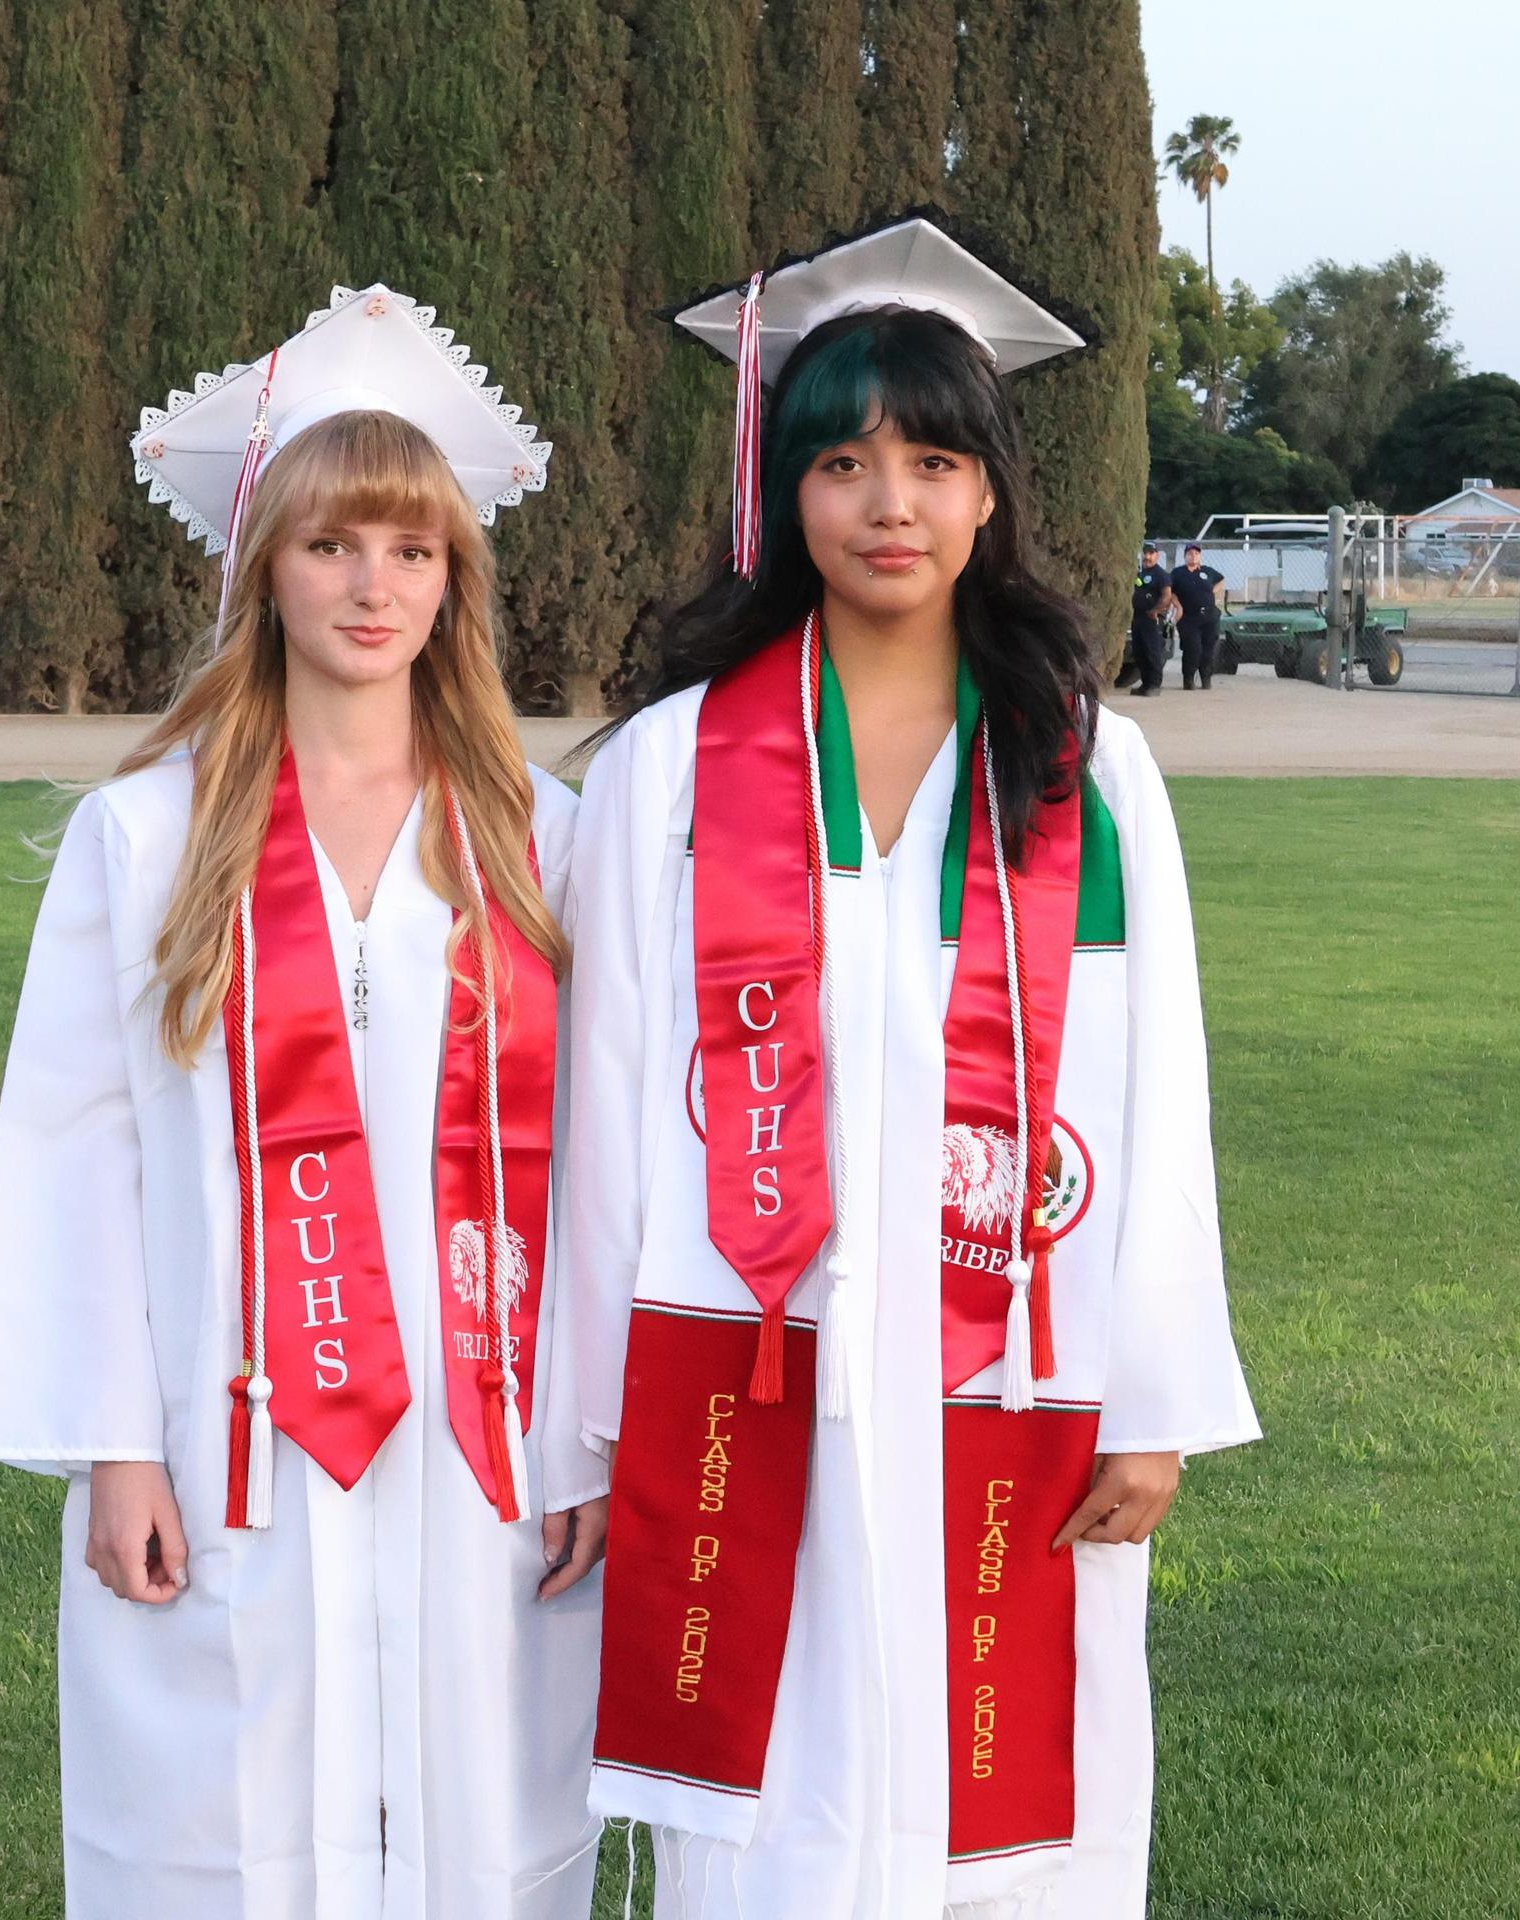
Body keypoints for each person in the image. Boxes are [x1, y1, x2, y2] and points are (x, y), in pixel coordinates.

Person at [565, 216, 1260, 1920]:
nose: (891, 502)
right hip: (747, 1355)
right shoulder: (670, 772)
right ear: (783, 489)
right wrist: (597, 1427)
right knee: (775, 1780)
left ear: (991, 492)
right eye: (846, 459)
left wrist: (1156, 1399)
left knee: (1008, 1801)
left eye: (935, 458)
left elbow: (1162, 1090)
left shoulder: (1091, 771)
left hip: (1017, 1358)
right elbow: (599, 1109)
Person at [0, 283, 610, 1919]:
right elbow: (72, 1154)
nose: (371, 584)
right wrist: (114, 1447)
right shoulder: (151, 841)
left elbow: (607, 1160)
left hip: (487, 1429)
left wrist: (595, 1433)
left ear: (456, 572)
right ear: (265, 566)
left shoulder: (544, 837)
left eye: (408, 546)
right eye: (331, 545)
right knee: (224, 1822)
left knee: (475, 1809)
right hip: (228, 1421)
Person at [1168, 542, 1226, 689]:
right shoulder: (1178, 573)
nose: (1193, 556)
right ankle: (1188, 679)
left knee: (1208, 649)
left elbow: (1222, 580)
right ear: (1185, 556)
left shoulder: (1207, 571)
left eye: (1196, 553)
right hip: (1189, 618)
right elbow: (1170, 592)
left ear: (1199, 555)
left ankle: (1206, 679)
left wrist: (1212, 591)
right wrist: (1178, 606)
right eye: (1190, 553)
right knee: (1193, 648)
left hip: (1209, 616)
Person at [1129, 540, 1172, 696]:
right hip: (1137, 617)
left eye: (1151, 553)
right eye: (1145, 553)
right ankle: (1146, 683)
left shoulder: (1160, 574)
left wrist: (1156, 610)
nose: (1147, 556)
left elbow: (1166, 596)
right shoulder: (1140, 572)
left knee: (1152, 651)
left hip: (1151, 619)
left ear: (1157, 555)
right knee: (1139, 652)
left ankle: (1155, 684)